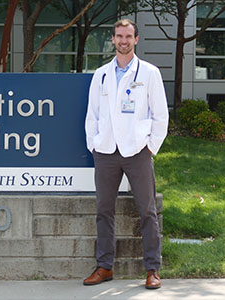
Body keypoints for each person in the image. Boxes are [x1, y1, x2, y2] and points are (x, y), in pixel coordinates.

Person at [84, 19, 169, 289]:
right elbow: (92, 115)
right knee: (104, 211)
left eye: (128, 36)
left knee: (147, 211)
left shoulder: (149, 73)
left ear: (136, 39)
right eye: (119, 36)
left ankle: (153, 270)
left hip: (137, 152)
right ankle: (105, 267)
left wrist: (150, 146)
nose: (123, 40)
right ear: (112, 39)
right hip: (107, 152)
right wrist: (94, 144)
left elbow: (160, 116)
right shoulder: (101, 74)